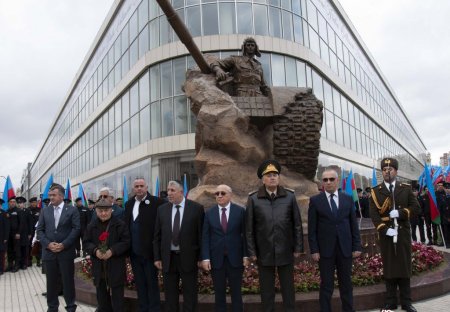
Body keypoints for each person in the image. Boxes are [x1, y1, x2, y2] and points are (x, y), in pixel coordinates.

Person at [246, 159, 303, 312]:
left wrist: (298, 247)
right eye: (269, 175)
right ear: (263, 179)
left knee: (288, 289)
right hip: (264, 252)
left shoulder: (289, 197)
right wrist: (252, 252)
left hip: (285, 249)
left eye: (275, 175)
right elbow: (249, 229)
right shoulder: (253, 199)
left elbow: (297, 224)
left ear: (279, 178)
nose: (272, 177)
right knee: (266, 291)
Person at [369, 158, 420, 312]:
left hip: (403, 233)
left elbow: (416, 208)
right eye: (384, 169)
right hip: (386, 235)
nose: (387, 172)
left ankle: (406, 302)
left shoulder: (405, 188)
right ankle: (390, 302)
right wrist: (385, 230)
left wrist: (401, 212)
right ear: (382, 172)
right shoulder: (375, 191)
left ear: (396, 171)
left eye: (390, 169)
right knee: (390, 268)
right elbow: (374, 215)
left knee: (404, 268)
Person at [308, 168, 362, 312]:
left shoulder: (347, 199)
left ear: (337, 181)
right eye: (325, 180)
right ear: (322, 183)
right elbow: (312, 229)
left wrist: (357, 246)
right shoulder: (315, 201)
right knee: (326, 286)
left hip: (345, 249)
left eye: (331, 179)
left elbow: (353, 225)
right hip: (325, 251)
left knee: (346, 284)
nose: (328, 182)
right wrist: (314, 250)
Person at [153, 180, 204, 312]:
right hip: (168, 259)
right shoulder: (162, 210)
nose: (169, 193)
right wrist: (157, 257)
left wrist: (201, 258)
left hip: (188, 258)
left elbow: (201, 236)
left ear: (181, 192)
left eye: (172, 190)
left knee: (190, 294)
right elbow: (157, 236)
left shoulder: (196, 208)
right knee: (170, 295)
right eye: (168, 190)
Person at [201, 185, 248, 312]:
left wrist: (245, 255)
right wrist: (205, 258)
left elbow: (245, 235)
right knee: (219, 293)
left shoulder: (240, 211)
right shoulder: (209, 213)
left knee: (236, 293)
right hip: (217, 260)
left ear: (230, 195)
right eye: (217, 194)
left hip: (236, 259)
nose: (219, 196)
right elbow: (205, 237)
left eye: (223, 193)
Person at [36, 183, 80, 312]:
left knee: (68, 282)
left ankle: (71, 307)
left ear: (61, 196)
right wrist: (48, 244)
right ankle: (52, 307)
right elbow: (40, 230)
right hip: (49, 252)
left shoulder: (72, 210)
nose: (51, 197)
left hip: (65, 252)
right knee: (51, 282)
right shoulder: (45, 210)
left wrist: (64, 244)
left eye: (53, 195)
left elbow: (76, 229)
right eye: (50, 195)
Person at [124, 178, 165, 312]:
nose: (139, 188)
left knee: (152, 284)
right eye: (137, 186)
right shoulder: (129, 204)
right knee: (140, 284)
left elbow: (161, 229)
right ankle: (143, 308)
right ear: (133, 189)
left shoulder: (157, 203)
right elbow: (127, 226)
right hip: (134, 253)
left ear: (147, 187)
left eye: (142, 186)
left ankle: (154, 309)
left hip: (150, 253)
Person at [83, 198, 130, 312]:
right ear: (96, 211)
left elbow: (126, 242)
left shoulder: (120, 224)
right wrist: (95, 251)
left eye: (106, 210)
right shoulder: (92, 225)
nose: (103, 213)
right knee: (102, 299)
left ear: (111, 210)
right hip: (99, 268)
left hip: (115, 265)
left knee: (118, 299)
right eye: (100, 211)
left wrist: (112, 251)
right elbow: (86, 242)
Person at [6, 197, 21, 272]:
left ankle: (17, 265)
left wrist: (18, 232)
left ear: (15, 203)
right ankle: (10, 265)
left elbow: (21, 223)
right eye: (11, 202)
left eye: (13, 202)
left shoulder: (18, 211)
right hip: (8, 234)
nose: (12, 203)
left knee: (16, 249)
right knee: (9, 250)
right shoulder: (7, 211)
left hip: (16, 234)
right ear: (9, 203)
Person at [29, 197, 42, 266]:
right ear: (30, 203)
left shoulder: (40, 210)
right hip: (30, 232)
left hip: (37, 231)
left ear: (37, 203)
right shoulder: (28, 210)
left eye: (35, 202)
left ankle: (38, 261)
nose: (34, 204)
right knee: (29, 246)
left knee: (38, 246)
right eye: (32, 202)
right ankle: (29, 261)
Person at [0, 199, 10, 275]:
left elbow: (7, 227)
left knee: (1, 254)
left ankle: (1, 269)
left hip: (2, 238)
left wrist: (6, 237)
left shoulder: (4, 213)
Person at [442, 182, 450, 248]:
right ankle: (447, 243)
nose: (447, 189)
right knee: (446, 231)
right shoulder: (442, 196)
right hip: (445, 217)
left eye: (449, 188)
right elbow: (440, 207)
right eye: (446, 188)